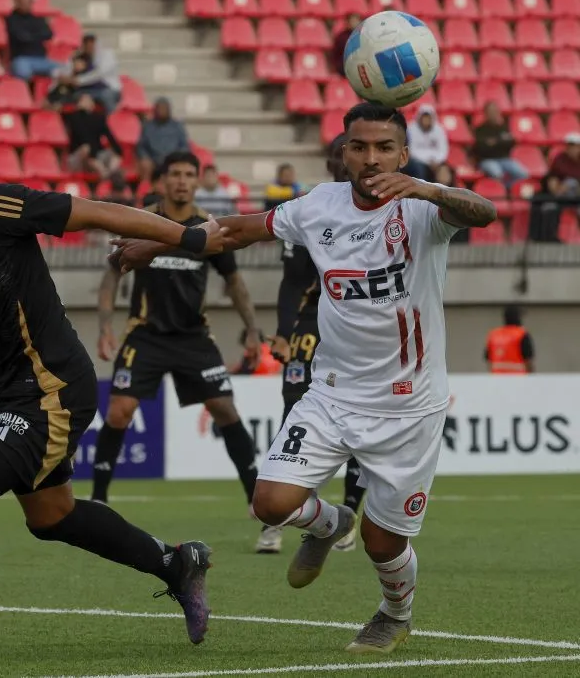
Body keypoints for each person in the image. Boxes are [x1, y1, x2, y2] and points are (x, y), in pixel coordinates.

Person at [111, 103, 497, 654]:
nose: (370, 159)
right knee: (269, 501)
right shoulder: (321, 205)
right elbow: (239, 230)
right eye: (358, 146)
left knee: (382, 541)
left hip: (409, 407)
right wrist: (162, 241)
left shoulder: (423, 211)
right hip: (332, 394)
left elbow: (484, 213)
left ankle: (394, 614)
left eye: (384, 148)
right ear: (342, 151)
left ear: (403, 155)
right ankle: (329, 522)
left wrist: (427, 189)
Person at [0, 124, 224, 665]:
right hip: (14, 392)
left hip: (55, 385)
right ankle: (177, 565)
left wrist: (186, 236)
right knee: (52, 517)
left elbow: (94, 211)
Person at [91, 150, 261, 510]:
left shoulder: (209, 229)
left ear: (198, 181)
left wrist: (252, 329)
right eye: (175, 174)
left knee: (225, 409)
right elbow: (111, 275)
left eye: (188, 174)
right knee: (119, 410)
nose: (182, 181)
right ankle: (99, 500)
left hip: (193, 337)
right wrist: (105, 325)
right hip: (144, 335)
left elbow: (234, 282)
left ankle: (259, 503)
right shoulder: (141, 221)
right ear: (162, 181)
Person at [256, 134, 364, 556]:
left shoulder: (390, 210)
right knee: (294, 413)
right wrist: (283, 332)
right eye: (343, 154)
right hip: (308, 327)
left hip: (357, 329)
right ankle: (281, 519)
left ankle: (350, 512)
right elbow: (292, 281)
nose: (349, 162)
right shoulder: (310, 209)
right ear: (332, 161)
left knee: (361, 422)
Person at [5, 0, 58, 80]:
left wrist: (31, 36)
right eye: (22, 1)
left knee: (64, 69)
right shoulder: (11, 19)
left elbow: (49, 34)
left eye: (28, 1)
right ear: (17, 2)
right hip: (21, 59)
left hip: (41, 60)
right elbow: (21, 37)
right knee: (22, 70)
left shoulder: (38, 19)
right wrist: (38, 35)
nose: (25, 4)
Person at [484, 305, 534, 374]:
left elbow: (489, 361)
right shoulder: (522, 334)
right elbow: (528, 361)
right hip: (518, 380)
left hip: (497, 380)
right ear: (518, 318)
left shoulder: (494, 335)